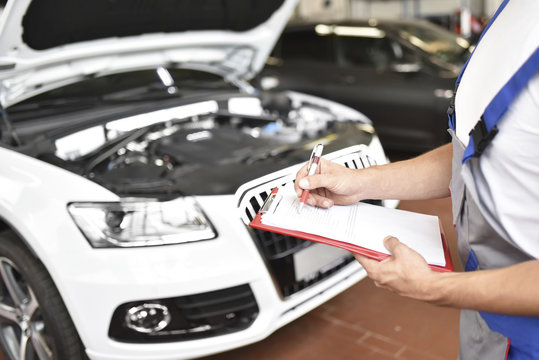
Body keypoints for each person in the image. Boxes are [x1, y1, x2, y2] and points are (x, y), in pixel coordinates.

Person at [294, 1, 539, 359]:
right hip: (487, 312)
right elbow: (477, 154)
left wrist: (435, 287)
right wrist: (360, 182)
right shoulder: (516, 15)